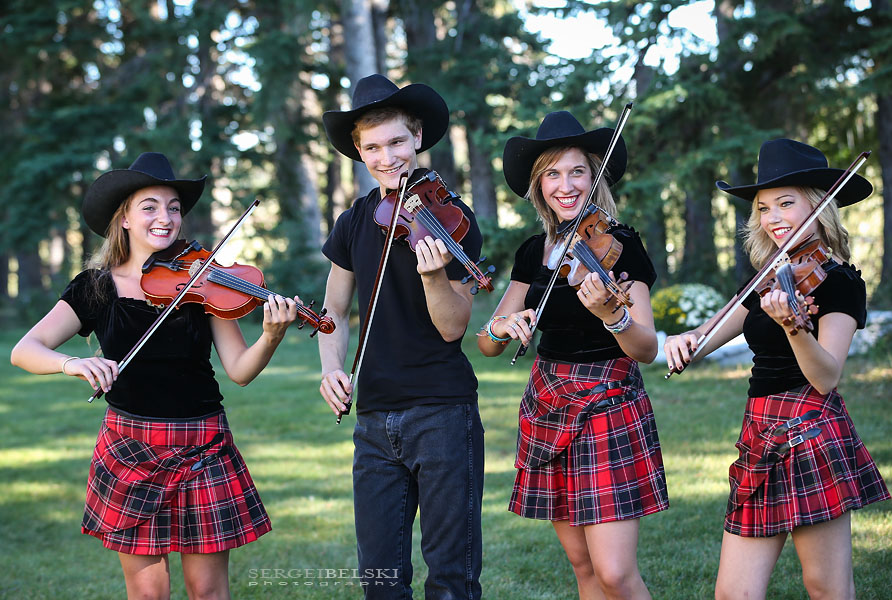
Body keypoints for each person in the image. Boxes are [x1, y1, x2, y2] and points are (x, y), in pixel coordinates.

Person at [10, 152, 301, 600]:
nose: (164, 218)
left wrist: (271, 336)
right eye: (149, 207)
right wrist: (75, 363)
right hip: (130, 448)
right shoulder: (96, 285)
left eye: (173, 207)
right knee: (148, 594)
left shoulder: (205, 281)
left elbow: (240, 371)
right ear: (123, 217)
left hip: (203, 446)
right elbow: (24, 350)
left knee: (208, 592)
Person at [663, 139, 891, 600]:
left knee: (825, 587)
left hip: (811, 432)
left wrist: (794, 327)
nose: (774, 218)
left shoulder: (840, 282)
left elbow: (826, 376)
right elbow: (708, 336)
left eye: (786, 203)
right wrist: (687, 340)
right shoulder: (770, 276)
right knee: (733, 593)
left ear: (818, 205)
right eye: (764, 208)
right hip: (760, 431)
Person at [478, 111, 667, 600]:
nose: (566, 185)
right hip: (547, 402)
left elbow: (646, 348)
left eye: (578, 171)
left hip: (607, 403)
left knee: (614, 573)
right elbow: (487, 342)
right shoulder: (530, 252)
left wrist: (614, 317)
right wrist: (502, 324)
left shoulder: (619, 244)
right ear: (539, 185)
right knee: (582, 567)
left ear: (594, 177)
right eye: (553, 174)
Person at [317, 74, 484, 599]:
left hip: (442, 412)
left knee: (451, 579)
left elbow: (454, 327)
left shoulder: (452, 220)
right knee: (380, 580)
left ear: (417, 138)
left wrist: (434, 276)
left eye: (395, 142)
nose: (386, 157)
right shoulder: (353, 222)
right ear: (359, 152)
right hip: (373, 420)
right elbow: (334, 311)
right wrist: (332, 368)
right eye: (372, 147)